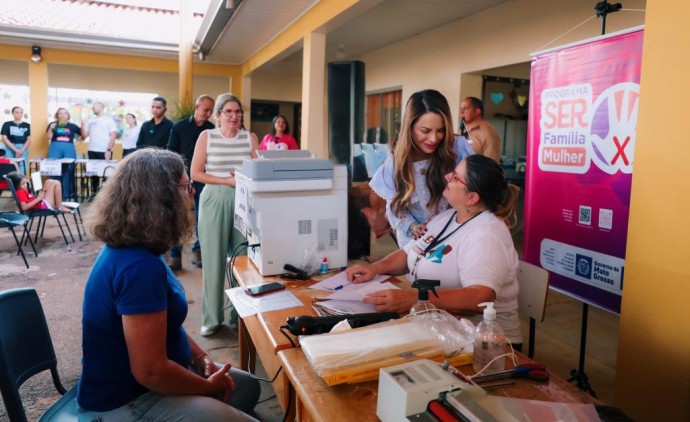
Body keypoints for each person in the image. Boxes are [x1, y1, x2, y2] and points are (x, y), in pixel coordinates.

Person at [76, 149, 260, 421]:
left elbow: (165, 324)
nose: (192, 191)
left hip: (157, 379)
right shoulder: (139, 267)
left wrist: (201, 358)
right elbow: (150, 372)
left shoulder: (142, 248)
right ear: (160, 198)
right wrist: (206, 387)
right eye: (186, 186)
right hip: (130, 400)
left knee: (247, 388)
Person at [347, 154, 522, 345]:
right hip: (440, 326)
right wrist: (375, 268)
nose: (447, 176)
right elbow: (409, 252)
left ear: (471, 197)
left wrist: (416, 299)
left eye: (455, 177)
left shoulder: (487, 234)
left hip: (486, 344)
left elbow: (480, 297)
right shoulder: (448, 216)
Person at [191, 93, 259, 336]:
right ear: (218, 115)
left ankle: (237, 316)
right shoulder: (207, 136)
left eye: (238, 111)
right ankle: (211, 319)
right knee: (213, 260)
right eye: (228, 111)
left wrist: (242, 178)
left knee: (242, 259)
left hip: (244, 200)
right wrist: (227, 181)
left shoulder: (250, 138)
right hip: (214, 198)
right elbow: (195, 173)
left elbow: (259, 170)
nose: (234, 116)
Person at [369, 89, 474, 248]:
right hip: (414, 237)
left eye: (441, 130)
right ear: (409, 127)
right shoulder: (396, 161)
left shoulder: (457, 147)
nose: (434, 139)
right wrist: (412, 226)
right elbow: (394, 204)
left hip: (453, 230)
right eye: (425, 131)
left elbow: (475, 185)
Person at [167, 94, 215, 271]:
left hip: (202, 178)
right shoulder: (179, 127)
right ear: (197, 107)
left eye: (211, 110)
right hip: (181, 178)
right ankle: (175, 255)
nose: (208, 114)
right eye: (206, 110)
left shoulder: (212, 130)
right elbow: (171, 152)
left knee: (202, 217)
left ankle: (198, 250)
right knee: (178, 216)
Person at [46, 107, 82, 200]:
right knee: (54, 170)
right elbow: (48, 137)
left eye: (65, 113)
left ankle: (67, 195)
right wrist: (51, 129)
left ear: (68, 116)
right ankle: (54, 194)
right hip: (55, 149)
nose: (63, 115)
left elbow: (83, 134)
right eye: (60, 113)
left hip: (68, 149)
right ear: (57, 115)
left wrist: (77, 143)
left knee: (68, 171)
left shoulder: (72, 126)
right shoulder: (52, 124)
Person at [82, 102, 117, 194]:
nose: (93, 107)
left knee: (106, 175)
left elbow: (113, 136)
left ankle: (105, 195)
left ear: (102, 107)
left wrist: (108, 150)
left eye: (95, 106)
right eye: (92, 106)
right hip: (92, 151)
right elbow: (84, 136)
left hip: (104, 151)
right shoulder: (90, 121)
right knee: (94, 175)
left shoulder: (109, 120)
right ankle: (95, 194)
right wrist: (83, 124)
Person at [5, 171, 71, 213]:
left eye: (25, 182)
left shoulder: (22, 190)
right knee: (56, 183)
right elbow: (24, 207)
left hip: (41, 203)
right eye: (22, 184)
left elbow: (29, 200)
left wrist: (38, 197)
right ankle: (59, 207)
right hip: (44, 206)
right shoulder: (20, 192)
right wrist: (39, 198)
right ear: (16, 185)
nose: (25, 185)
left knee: (48, 181)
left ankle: (58, 204)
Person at [460, 97, 501, 163]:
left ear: (476, 111)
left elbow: (492, 163)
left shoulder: (488, 132)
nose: (461, 112)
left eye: (465, 108)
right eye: (461, 109)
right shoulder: (462, 128)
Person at [1, 106, 31, 174]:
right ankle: (11, 181)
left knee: (22, 167)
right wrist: (16, 150)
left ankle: (21, 180)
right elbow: (4, 138)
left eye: (21, 112)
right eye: (16, 112)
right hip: (9, 147)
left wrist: (21, 150)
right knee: (10, 167)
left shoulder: (27, 125)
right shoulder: (6, 124)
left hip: (23, 147)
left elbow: (29, 139)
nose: (19, 114)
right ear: (13, 113)